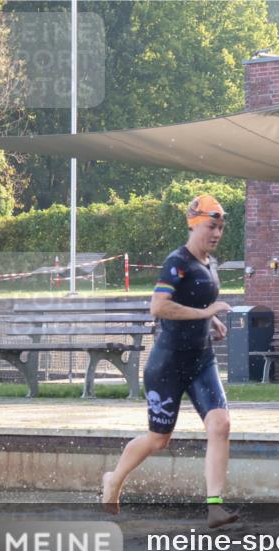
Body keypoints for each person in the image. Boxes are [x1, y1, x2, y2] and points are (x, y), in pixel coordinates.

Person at [102, 194, 237, 529]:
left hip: (201, 360)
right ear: (194, 224)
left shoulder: (209, 263)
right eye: (211, 226)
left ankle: (215, 506)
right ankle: (114, 479)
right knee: (159, 440)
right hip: (167, 365)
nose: (217, 233)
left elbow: (196, 300)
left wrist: (211, 322)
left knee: (220, 425)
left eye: (220, 227)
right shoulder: (177, 262)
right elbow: (159, 307)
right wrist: (206, 313)